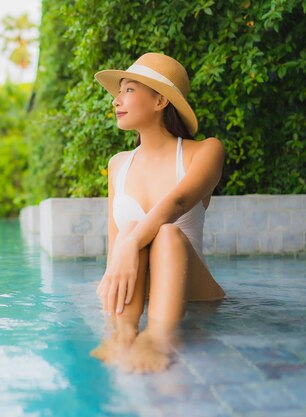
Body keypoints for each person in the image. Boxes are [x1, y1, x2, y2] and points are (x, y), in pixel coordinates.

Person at [90, 52, 226, 373]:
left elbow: (176, 204)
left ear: (160, 101)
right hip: (138, 291)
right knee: (129, 233)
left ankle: (160, 338)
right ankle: (122, 333)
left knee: (162, 231)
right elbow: (116, 248)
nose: (116, 100)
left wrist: (129, 241)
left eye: (129, 90)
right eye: (118, 92)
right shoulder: (118, 164)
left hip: (194, 290)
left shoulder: (206, 150)